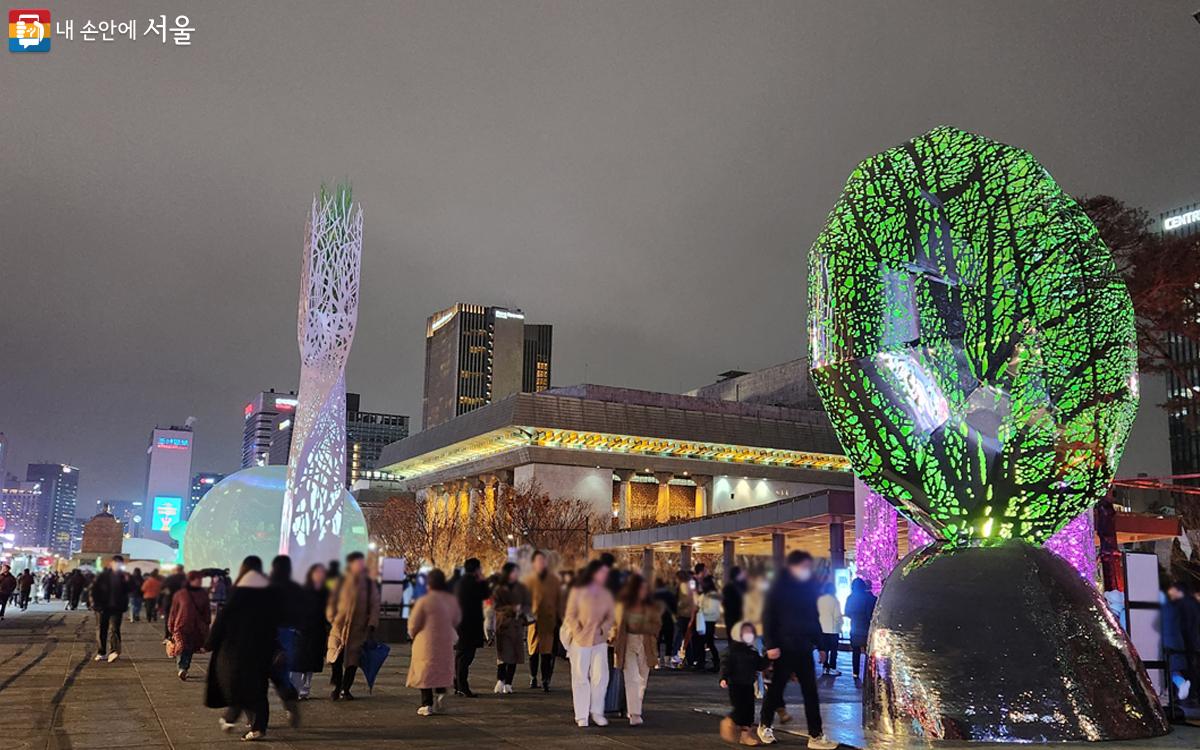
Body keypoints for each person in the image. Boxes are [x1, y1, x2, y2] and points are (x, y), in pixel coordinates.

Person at [758, 551, 835, 749]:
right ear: (792, 566)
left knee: (810, 692)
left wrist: (820, 645)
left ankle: (816, 735)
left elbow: (813, 618)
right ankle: (765, 724)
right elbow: (768, 617)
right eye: (804, 567)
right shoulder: (778, 588)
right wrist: (771, 645)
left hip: (803, 647)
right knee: (776, 689)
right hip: (783, 647)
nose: (807, 571)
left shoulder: (808, 588)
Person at [205, 556, 279, 741]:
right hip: (261, 648)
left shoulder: (239, 590)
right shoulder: (268, 591)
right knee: (258, 688)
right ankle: (258, 726)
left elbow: (223, 620)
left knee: (237, 684)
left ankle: (231, 717)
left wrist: (210, 643)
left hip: (236, 649)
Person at [563, 558, 615, 727]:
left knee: (601, 677)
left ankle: (597, 711)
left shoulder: (606, 593)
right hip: (581, 640)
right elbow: (570, 615)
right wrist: (578, 631)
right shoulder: (578, 591)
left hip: (599, 640)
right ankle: (581, 714)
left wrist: (603, 629)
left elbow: (611, 616)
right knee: (580, 677)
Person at [407, 568, 461, 715]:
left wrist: (412, 635)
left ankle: (427, 704)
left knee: (425, 671)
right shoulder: (451, 600)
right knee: (441, 669)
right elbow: (456, 619)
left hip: (426, 641)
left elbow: (413, 624)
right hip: (445, 640)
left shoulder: (424, 601)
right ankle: (441, 693)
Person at [326, 551, 380, 700]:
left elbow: (375, 605)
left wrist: (371, 625)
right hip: (339, 627)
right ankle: (337, 686)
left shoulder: (369, 584)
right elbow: (332, 601)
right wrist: (332, 618)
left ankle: (345, 688)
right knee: (335, 658)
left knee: (352, 661)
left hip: (357, 629)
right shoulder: (341, 581)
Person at [612, 572, 662, 726]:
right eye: (641, 589)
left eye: (645, 589)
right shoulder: (623, 605)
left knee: (642, 680)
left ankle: (634, 706)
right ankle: (634, 713)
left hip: (646, 643)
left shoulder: (651, 606)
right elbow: (616, 624)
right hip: (628, 642)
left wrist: (648, 629)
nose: (643, 592)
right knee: (631, 678)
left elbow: (657, 624)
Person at [267, 555, 303, 722]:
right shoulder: (296, 588)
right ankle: (290, 702)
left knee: (262, 673)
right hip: (290, 634)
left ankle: (255, 716)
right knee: (282, 673)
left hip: (269, 634)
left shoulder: (268, 588)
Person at [721, 621, 767, 746]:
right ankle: (729, 722)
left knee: (749, 711)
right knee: (739, 709)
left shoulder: (752, 652)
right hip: (735, 684)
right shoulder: (731, 651)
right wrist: (723, 678)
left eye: (750, 632)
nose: (749, 635)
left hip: (748, 684)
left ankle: (745, 735)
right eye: (746, 632)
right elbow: (726, 665)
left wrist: (768, 657)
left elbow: (760, 665)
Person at [524, 550, 563, 691]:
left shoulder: (554, 580)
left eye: (543, 560)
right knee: (533, 652)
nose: (541, 563)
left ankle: (546, 679)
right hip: (533, 621)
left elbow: (560, 600)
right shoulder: (529, 580)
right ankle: (533, 677)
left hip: (549, 621)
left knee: (547, 653)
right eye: (538, 560)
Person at [291, 563, 330, 700]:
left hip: (317, 631)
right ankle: (296, 689)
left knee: (310, 664)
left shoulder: (325, 592)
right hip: (302, 630)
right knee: (298, 663)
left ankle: (305, 690)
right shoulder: (302, 590)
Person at [491, 562, 529, 694]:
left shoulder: (522, 588)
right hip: (504, 625)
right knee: (502, 654)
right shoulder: (499, 589)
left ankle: (509, 682)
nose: (516, 574)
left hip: (517, 625)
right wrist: (511, 608)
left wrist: (522, 611)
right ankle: (500, 679)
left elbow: (527, 604)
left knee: (514, 655)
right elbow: (496, 606)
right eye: (513, 572)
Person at [453, 557, 488, 697]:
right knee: (466, 657)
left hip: (460, 625)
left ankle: (457, 684)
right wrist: (483, 580)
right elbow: (486, 594)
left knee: (460, 656)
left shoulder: (459, 582)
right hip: (470, 626)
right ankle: (462, 686)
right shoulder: (473, 583)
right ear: (476, 569)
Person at [168, 570, 211, 680]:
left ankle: (184, 668)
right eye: (198, 579)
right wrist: (170, 625)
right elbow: (174, 611)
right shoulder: (181, 594)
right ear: (191, 580)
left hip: (196, 627)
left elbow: (206, 610)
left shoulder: (203, 594)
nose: (200, 581)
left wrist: (207, 623)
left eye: (201, 579)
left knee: (189, 648)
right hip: (181, 625)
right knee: (182, 646)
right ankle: (182, 668)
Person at [90, 555, 132, 662]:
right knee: (101, 629)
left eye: (120, 564)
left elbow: (130, 590)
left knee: (115, 629)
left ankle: (114, 651)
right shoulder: (103, 576)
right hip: (102, 607)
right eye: (116, 563)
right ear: (111, 564)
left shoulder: (124, 577)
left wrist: (128, 582)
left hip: (117, 607)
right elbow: (94, 590)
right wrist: (95, 604)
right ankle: (101, 652)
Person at [1164, 580, 1200, 702]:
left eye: (1172, 589)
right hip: (1186, 641)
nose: (1170, 592)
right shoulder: (1186, 603)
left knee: (1186, 668)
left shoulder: (1182, 605)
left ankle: (1190, 692)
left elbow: (1189, 625)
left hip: (1187, 641)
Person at [844, 578, 876, 681]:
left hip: (855, 627)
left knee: (855, 651)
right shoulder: (869, 598)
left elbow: (847, 612)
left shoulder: (850, 598)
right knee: (868, 652)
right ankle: (868, 673)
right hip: (867, 628)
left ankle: (855, 672)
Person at [816, 582, 842, 676]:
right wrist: (840, 625)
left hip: (822, 629)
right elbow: (837, 616)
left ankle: (825, 667)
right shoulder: (835, 601)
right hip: (833, 629)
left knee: (825, 649)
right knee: (834, 650)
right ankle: (832, 668)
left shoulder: (820, 600)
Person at [698, 575, 723, 672]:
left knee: (707, 642)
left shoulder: (712, 595)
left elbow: (712, 609)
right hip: (704, 620)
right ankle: (708, 662)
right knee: (708, 642)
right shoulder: (705, 594)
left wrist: (701, 611)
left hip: (709, 620)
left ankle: (708, 662)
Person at [672, 570, 695, 668]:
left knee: (679, 636)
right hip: (689, 615)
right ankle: (689, 658)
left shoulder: (682, 587)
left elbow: (682, 601)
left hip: (682, 615)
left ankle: (675, 655)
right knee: (687, 637)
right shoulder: (690, 586)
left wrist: (677, 609)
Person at [160, 565, 186, 639]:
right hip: (182, 603)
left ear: (175, 570)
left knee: (168, 619)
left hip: (169, 601)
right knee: (181, 619)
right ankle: (179, 636)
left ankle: (168, 635)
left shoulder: (170, 578)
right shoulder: (186, 579)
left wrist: (159, 602)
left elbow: (162, 590)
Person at [722, 566, 747, 644]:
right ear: (737, 575)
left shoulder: (740, 586)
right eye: (742, 573)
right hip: (735, 617)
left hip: (733, 617)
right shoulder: (733, 587)